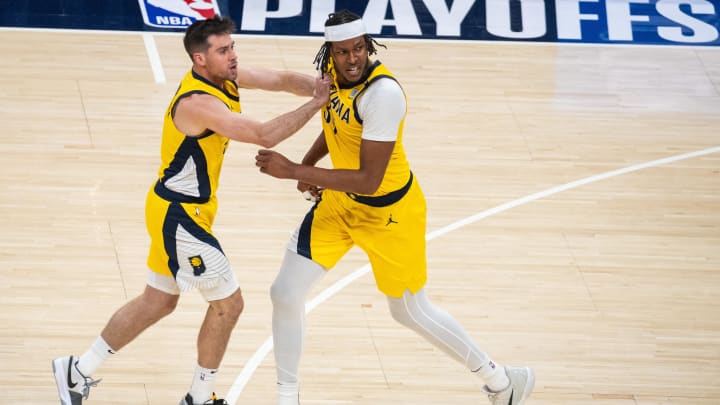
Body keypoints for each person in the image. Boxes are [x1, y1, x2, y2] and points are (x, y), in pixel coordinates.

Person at [254, 9, 535, 405]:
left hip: (389, 213)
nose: (352, 59)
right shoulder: (333, 80)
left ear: (368, 46)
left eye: (358, 49)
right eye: (342, 52)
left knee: (408, 311)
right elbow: (336, 124)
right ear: (328, 53)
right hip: (339, 206)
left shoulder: (383, 95)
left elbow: (370, 179)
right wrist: (311, 163)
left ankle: (501, 380)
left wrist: (295, 170)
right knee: (284, 292)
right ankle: (287, 398)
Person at [51, 16, 330, 405]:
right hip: (179, 216)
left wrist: (322, 87)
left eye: (232, 47)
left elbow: (281, 79)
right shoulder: (198, 103)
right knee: (229, 304)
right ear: (200, 59)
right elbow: (264, 135)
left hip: (178, 208)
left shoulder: (224, 76)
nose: (233, 56)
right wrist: (319, 104)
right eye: (223, 51)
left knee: (159, 301)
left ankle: (76, 370)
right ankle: (199, 398)